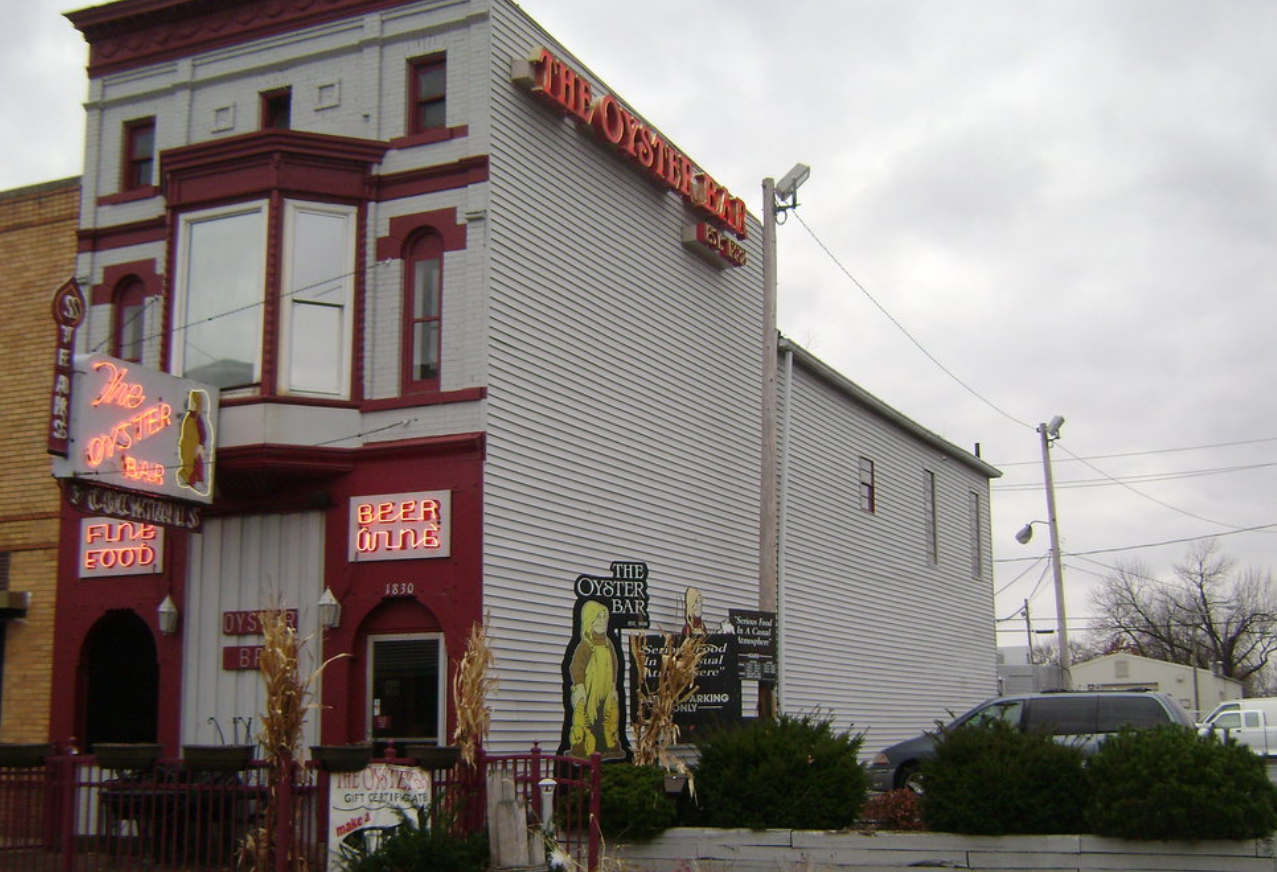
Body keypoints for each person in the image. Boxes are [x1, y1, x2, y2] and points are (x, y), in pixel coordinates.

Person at [568, 600, 623, 759]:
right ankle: (585, 746)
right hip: (589, 692)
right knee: (588, 719)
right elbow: (577, 666)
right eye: (598, 617)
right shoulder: (585, 646)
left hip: (606, 690)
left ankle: (606, 745)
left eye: (604, 617)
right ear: (589, 619)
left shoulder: (608, 645)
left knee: (606, 718)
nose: (601, 621)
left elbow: (614, 665)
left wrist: (613, 685)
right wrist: (580, 685)